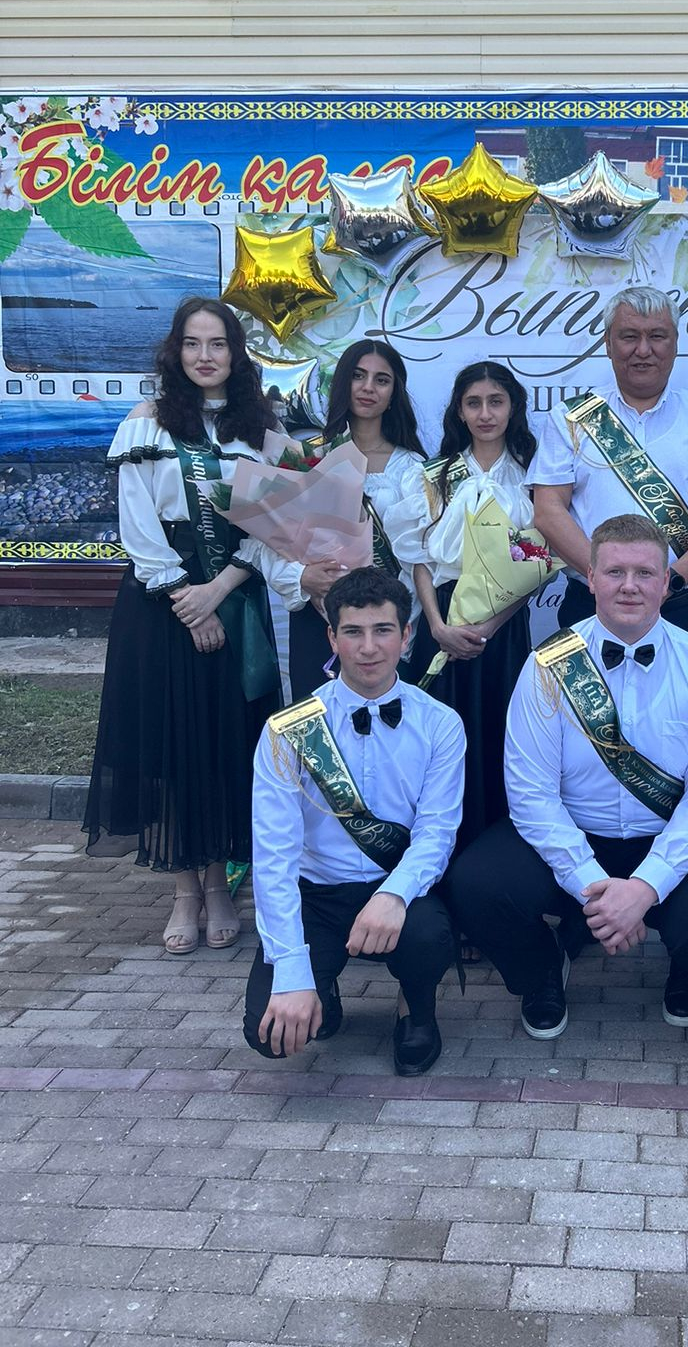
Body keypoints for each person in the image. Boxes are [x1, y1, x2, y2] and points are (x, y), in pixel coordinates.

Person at [444, 514, 688, 1037]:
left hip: (669, 838)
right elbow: (530, 795)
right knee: (478, 886)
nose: (630, 586)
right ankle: (542, 971)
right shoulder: (546, 665)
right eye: (615, 572)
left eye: (644, 573)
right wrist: (594, 887)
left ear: (666, 582)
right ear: (590, 578)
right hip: (571, 836)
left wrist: (645, 888)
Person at [83, 296, 286, 954]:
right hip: (161, 603)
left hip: (236, 594)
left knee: (225, 745)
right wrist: (185, 599)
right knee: (173, 745)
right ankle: (183, 891)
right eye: (193, 343)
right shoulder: (146, 422)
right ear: (176, 351)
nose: (205, 356)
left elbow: (273, 523)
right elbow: (138, 523)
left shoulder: (261, 429)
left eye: (218, 343)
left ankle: (221, 885)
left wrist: (220, 589)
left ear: (236, 353)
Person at [243, 567, 464, 1076]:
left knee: (429, 935)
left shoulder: (441, 724)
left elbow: (436, 833)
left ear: (406, 636)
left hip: (397, 888)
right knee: (269, 1035)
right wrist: (293, 975)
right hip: (317, 895)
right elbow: (273, 858)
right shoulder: (286, 730)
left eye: (382, 630)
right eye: (353, 632)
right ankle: (323, 993)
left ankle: (415, 1006)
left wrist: (393, 895)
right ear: (332, 638)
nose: (368, 648)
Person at [530, 285, 688, 644]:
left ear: (675, 343)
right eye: (629, 336)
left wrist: (668, 581)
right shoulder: (569, 419)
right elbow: (548, 511)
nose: (643, 350)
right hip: (589, 606)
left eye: (657, 336)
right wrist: (607, 582)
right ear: (608, 344)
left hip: (682, 604)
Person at [393, 361, 538, 851]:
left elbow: (536, 564)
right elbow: (419, 560)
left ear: (513, 407)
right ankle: (438, 856)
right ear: (458, 411)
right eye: (473, 403)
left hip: (503, 626)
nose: (485, 414)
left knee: (500, 735)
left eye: (496, 402)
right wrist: (437, 626)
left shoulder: (533, 474)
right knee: (439, 744)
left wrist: (490, 625)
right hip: (443, 620)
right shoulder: (434, 476)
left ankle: (497, 854)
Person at [246, 339, 427, 701]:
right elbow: (264, 544)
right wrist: (303, 578)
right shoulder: (305, 457)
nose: (368, 387)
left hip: (384, 626)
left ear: (394, 393)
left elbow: (422, 556)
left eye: (381, 380)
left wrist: (395, 621)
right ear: (343, 383)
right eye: (358, 376)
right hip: (317, 619)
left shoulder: (412, 468)